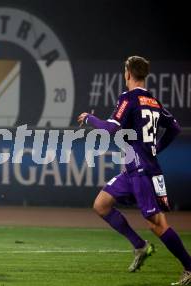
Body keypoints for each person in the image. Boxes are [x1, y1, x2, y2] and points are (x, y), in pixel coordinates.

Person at [78, 56, 190, 285]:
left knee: (157, 224)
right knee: (101, 204)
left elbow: (111, 128)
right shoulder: (152, 100)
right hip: (135, 169)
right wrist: (156, 149)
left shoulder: (128, 98)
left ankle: (190, 268)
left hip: (142, 172)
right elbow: (175, 127)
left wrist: (89, 117)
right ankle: (140, 246)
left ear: (127, 73)